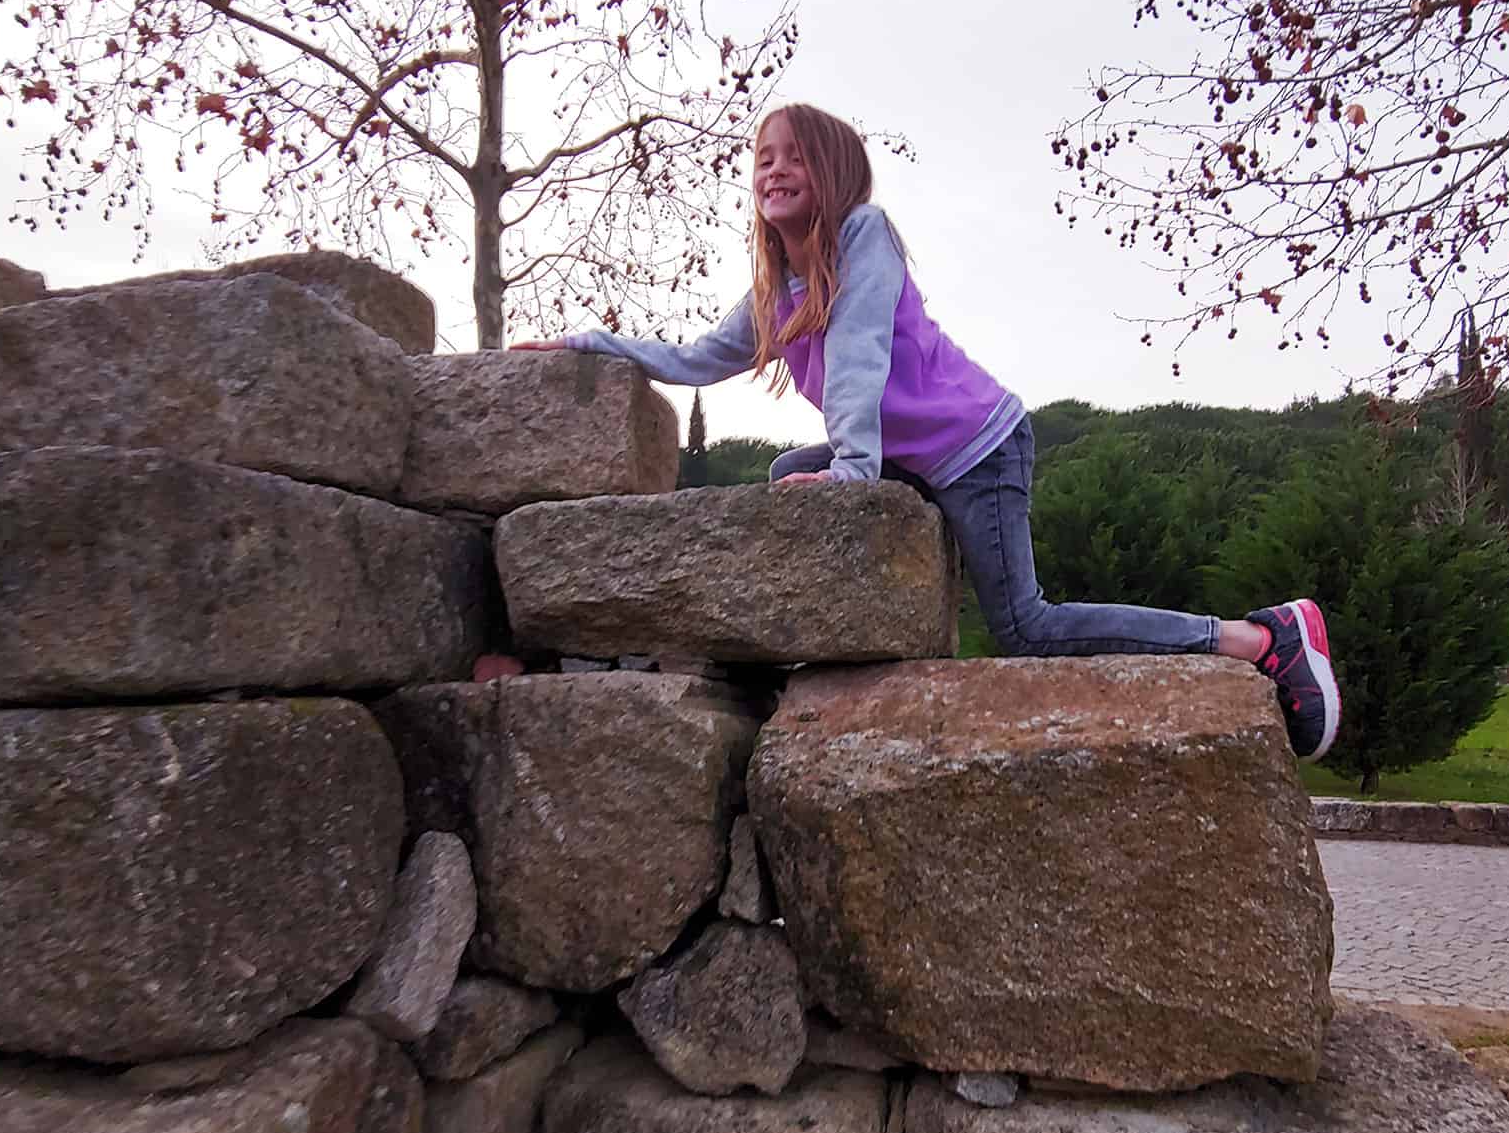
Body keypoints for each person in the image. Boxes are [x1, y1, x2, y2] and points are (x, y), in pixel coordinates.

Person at [513, 102, 1341, 761]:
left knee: (1025, 627)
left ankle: (1256, 637)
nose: (773, 169)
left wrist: (854, 468)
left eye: (793, 154)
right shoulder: (775, 293)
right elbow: (693, 357)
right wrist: (590, 343)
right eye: (763, 158)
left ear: (832, 171)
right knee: (784, 473)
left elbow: (862, 349)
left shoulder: (864, 236)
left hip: (978, 448)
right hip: (912, 462)